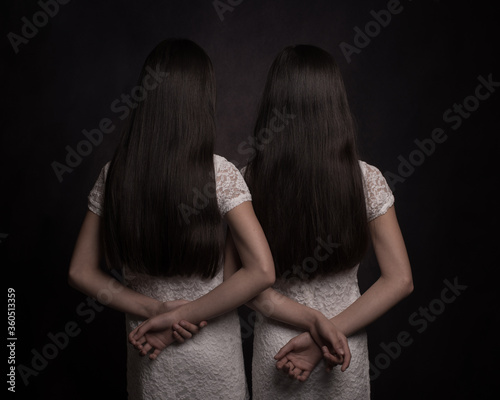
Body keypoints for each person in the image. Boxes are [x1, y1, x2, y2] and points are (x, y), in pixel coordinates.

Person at [68, 38, 279, 400]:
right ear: (200, 101)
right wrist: (181, 313)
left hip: (150, 348)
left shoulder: (115, 174)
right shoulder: (220, 173)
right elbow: (262, 271)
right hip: (213, 357)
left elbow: (79, 271)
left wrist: (156, 311)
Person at [223, 44, 414, 399]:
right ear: (335, 104)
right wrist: (327, 332)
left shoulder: (246, 180)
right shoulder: (365, 179)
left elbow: (234, 282)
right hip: (342, 344)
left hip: (279, 347)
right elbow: (400, 279)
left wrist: (313, 332)